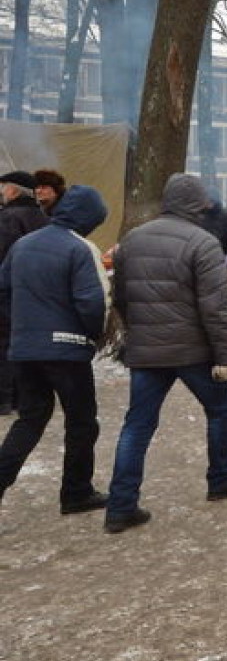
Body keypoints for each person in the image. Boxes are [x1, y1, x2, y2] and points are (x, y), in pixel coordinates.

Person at [105, 174, 227, 533]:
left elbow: (122, 297)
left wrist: (135, 332)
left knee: (137, 426)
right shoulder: (202, 243)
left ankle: (120, 505)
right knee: (221, 411)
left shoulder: (132, 239)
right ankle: (221, 478)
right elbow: (216, 308)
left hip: (147, 351)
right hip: (194, 351)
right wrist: (225, 356)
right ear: (196, 206)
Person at [0, 185, 110, 515]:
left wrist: (21, 326)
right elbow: (92, 303)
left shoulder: (23, 244)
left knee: (30, 420)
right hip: (67, 350)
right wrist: (93, 336)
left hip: (25, 349)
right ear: (88, 218)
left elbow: (2, 289)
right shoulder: (80, 248)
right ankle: (76, 493)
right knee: (81, 422)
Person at [0, 171, 50, 416]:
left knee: (4, 343)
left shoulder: (8, 218)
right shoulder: (43, 218)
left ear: (14, 190)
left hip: (8, 292)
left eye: (4, 187)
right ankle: (22, 396)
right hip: (36, 293)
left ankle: (4, 399)